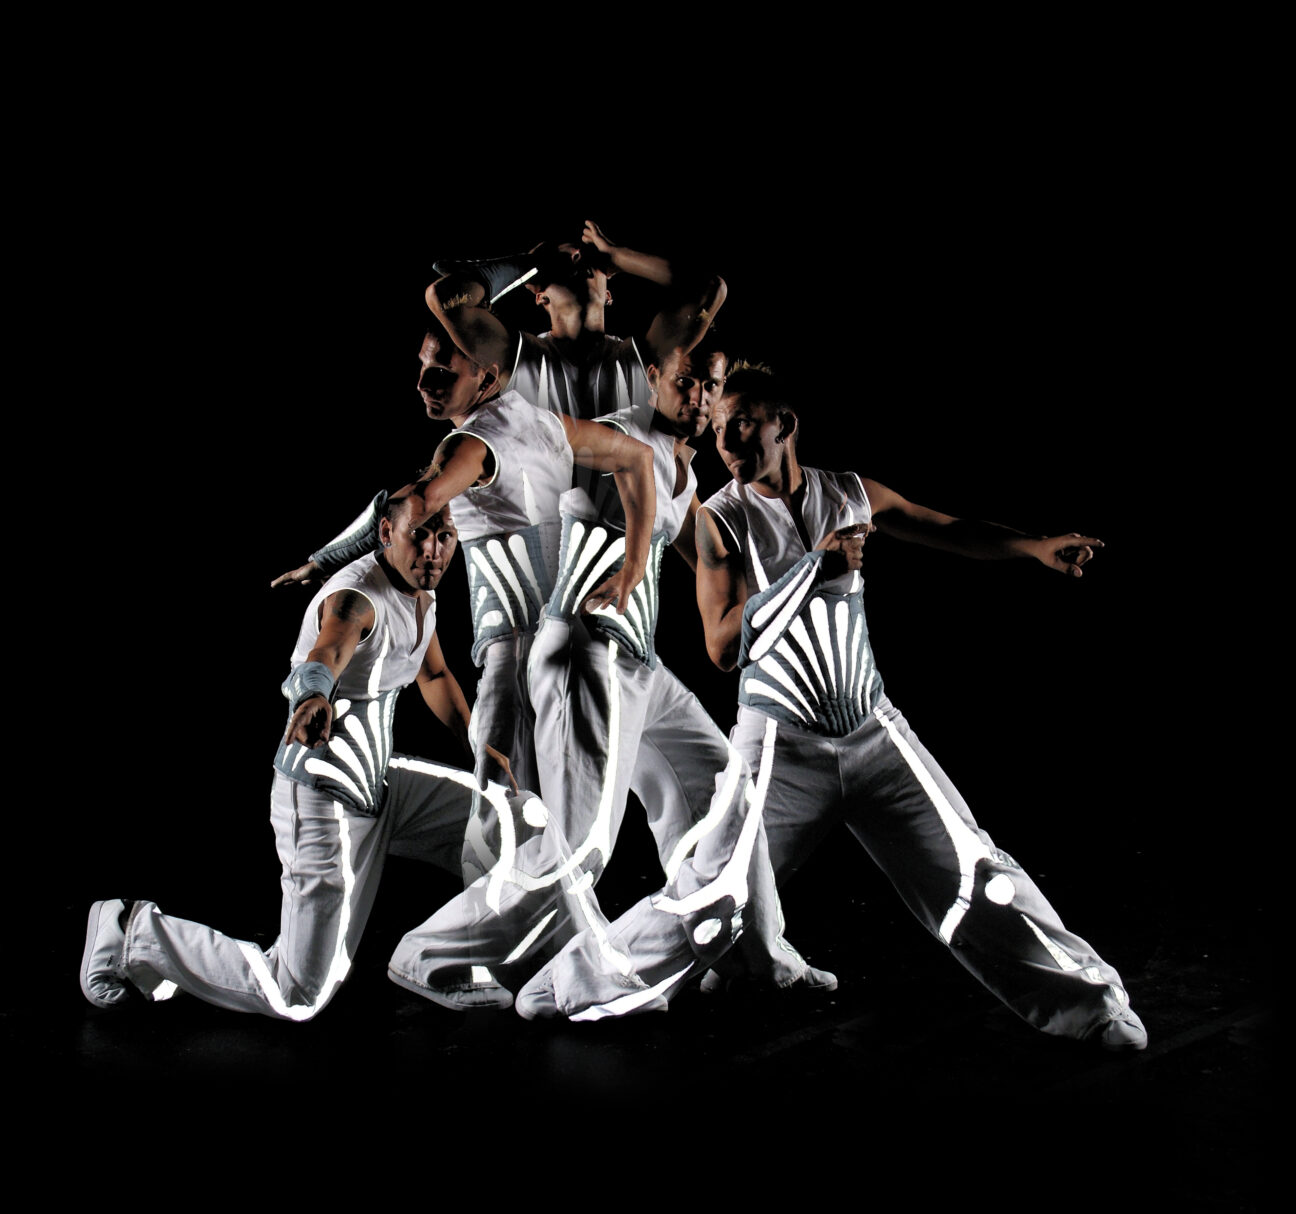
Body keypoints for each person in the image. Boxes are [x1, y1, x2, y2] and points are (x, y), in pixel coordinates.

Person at [692, 363, 1147, 1049]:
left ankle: (1091, 1003)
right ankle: (592, 983)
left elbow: (951, 526)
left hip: (874, 735)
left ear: (785, 425)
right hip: (778, 745)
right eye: (720, 425)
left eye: (745, 420)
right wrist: (816, 567)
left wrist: (1033, 547)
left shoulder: (848, 493)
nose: (726, 436)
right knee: (708, 895)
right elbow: (724, 648)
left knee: (977, 873)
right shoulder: (718, 520)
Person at [80, 497, 519, 1020]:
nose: (432, 550)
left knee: (512, 822)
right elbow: (327, 651)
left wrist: (477, 745)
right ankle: (132, 933)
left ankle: (453, 961)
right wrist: (313, 694)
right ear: (386, 533)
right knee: (300, 993)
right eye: (419, 535)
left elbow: (434, 675)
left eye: (444, 536)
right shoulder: (356, 599)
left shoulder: (421, 595)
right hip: (323, 797)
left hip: (383, 787)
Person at [499, 342, 834, 1020]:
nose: (700, 397)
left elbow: (708, 561)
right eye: (685, 382)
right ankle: (549, 986)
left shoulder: (684, 476)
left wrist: (793, 583)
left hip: (639, 667)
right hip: (584, 653)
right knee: (581, 847)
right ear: (652, 379)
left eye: (710, 387)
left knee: (723, 792)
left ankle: (762, 960)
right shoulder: (624, 433)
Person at [427, 219, 726, 421]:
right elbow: (444, 297)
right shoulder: (520, 358)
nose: (577, 258)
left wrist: (617, 255)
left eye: (591, 261)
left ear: (608, 295)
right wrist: (530, 264)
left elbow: (709, 288)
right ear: (540, 296)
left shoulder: (641, 359)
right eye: (560, 262)